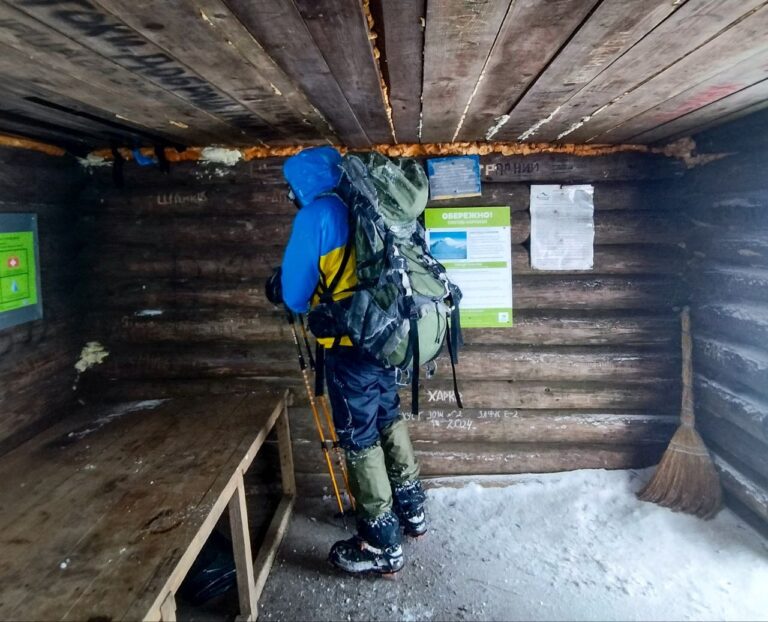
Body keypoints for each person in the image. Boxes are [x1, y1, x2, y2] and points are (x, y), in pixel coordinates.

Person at [271, 146, 426, 575]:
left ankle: (380, 542)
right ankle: (412, 509)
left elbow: (295, 296)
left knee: (359, 435)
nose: (290, 195)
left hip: (349, 343)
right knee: (387, 416)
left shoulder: (317, 215)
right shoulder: (371, 205)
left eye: (291, 187)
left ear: (302, 183)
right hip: (387, 339)